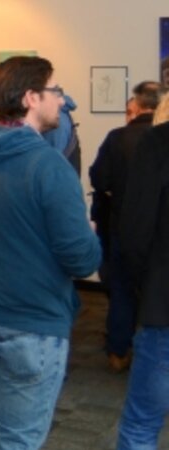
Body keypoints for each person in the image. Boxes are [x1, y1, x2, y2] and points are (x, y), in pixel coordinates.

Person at [0, 56, 101, 448]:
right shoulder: (48, 166)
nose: (62, 102)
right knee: (17, 440)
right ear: (31, 98)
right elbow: (82, 260)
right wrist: (89, 232)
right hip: (32, 325)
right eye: (56, 91)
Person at [89, 80, 162, 372]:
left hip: (122, 227)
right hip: (160, 234)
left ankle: (119, 351)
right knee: (155, 292)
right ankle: (153, 355)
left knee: (121, 290)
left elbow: (99, 178)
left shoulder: (118, 137)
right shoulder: (162, 139)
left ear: (137, 105)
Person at [117, 120, 169, 449]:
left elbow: (135, 231)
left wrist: (144, 283)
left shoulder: (159, 142)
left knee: (142, 422)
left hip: (164, 302)